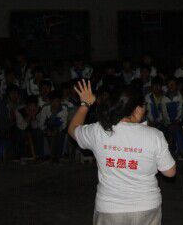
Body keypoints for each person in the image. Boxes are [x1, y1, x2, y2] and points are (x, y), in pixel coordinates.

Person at [71, 80, 176, 225]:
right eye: (144, 105)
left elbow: (73, 129)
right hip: (146, 207)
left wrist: (85, 104)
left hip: (109, 208)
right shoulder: (154, 135)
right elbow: (170, 172)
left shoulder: (99, 130)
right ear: (137, 109)